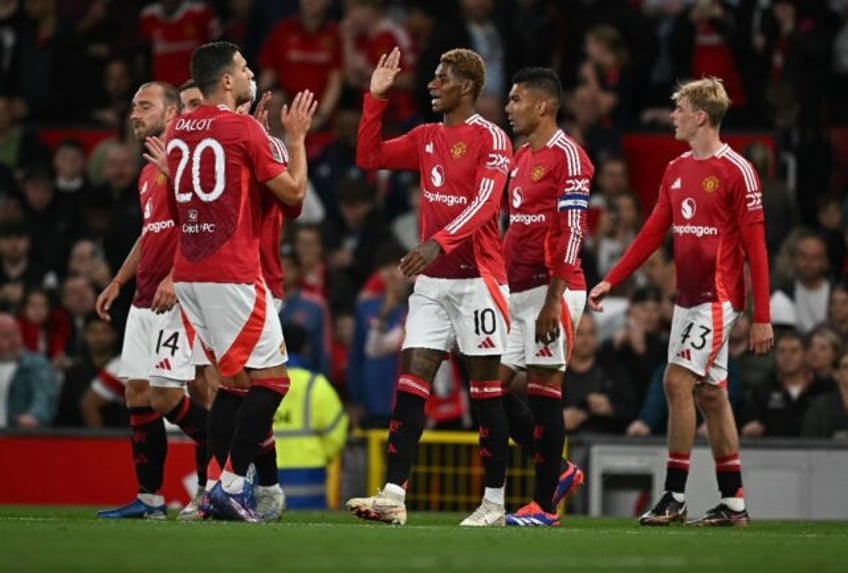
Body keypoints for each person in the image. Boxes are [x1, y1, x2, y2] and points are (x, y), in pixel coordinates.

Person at [588, 77, 773, 527]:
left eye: (679, 109)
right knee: (710, 394)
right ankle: (733, 503)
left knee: (675, 382)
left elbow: (757, 249)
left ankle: (673, 494)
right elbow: (653, 232)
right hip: (688, 300)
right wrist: (612, 279)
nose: (672, 116)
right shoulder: (675, 170)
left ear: (701, 116)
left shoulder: (737, 171)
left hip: (719, 296)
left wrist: (762, 317)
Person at [345, 47, 513, 527]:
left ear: (467, 86)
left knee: (485, 393)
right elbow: (368, 156)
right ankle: (394, 494)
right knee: (410, 383)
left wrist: (438, 242)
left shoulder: (492, 139)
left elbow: (486, 203)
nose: (432, 85)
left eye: (442, 78)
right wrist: (375, 99)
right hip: (434, 287)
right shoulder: (425, 137)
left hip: (479, 281)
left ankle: (495, 503)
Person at [164, 41, 314, 522]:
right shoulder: (242, 127)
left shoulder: (176, 129)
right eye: (245, 67)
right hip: (232, 274)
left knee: (230, 384)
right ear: (226, 81)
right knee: (272, 381)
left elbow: (175, 207)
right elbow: (293, 195)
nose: (252, 73)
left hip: (189, 270)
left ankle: (211, 489)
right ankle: (230, 487)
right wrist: (295, 139)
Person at [94, 82, 211, 521]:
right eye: (132, 106)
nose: (134, 114)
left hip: (176, 297)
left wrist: (176, 276)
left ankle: (223, 463)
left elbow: (203, 223)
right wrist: (118, 281)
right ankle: (150, 500)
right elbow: (153, 231)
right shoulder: (149, 170)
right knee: (137, 394)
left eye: (145, 106)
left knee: (166, 397)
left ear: (173, 112)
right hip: (144, 298)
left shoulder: (189, 160)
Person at [497, 67, 592, 527]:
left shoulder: (569, 157)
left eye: (516, 100)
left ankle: (544, 508)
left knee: (543, 389)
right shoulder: (519, 157)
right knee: (490, 387)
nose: (509, 108)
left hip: (553, 291)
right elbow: (513, 227)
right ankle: (556, 469)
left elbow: (573, 231)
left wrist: (554, 299)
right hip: (516, 292)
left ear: (542, 105)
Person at [272, 323, 347, 509]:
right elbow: (337, 432)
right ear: (305, 347)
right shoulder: (316, 385)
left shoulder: (260, 384)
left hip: (265, 474)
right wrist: (321, 454)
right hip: (309, 476)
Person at [0, 313, 59, 428]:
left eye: (16, 334)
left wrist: (34, 416)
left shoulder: (37, 365)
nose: (14, 341)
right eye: (6, 336)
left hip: (16, 436)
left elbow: (44, 396)